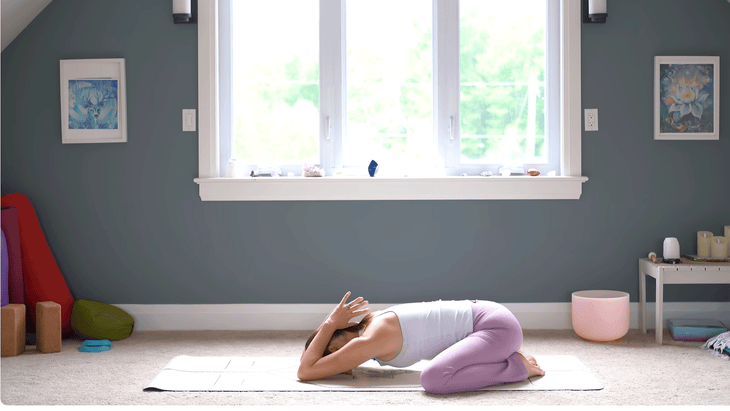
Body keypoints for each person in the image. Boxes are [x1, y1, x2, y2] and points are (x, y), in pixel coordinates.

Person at [298, 291, 545, 394]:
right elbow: (308, 360)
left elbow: (305, 371)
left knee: (434, 379)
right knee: (442, 372)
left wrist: (330, 322)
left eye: (329, 357)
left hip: (495, 328)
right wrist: (328, 325)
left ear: (333, 348)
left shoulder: (366, 341)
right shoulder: (371, 325)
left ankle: (517, 368)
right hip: (491, 319)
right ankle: (502, 356)